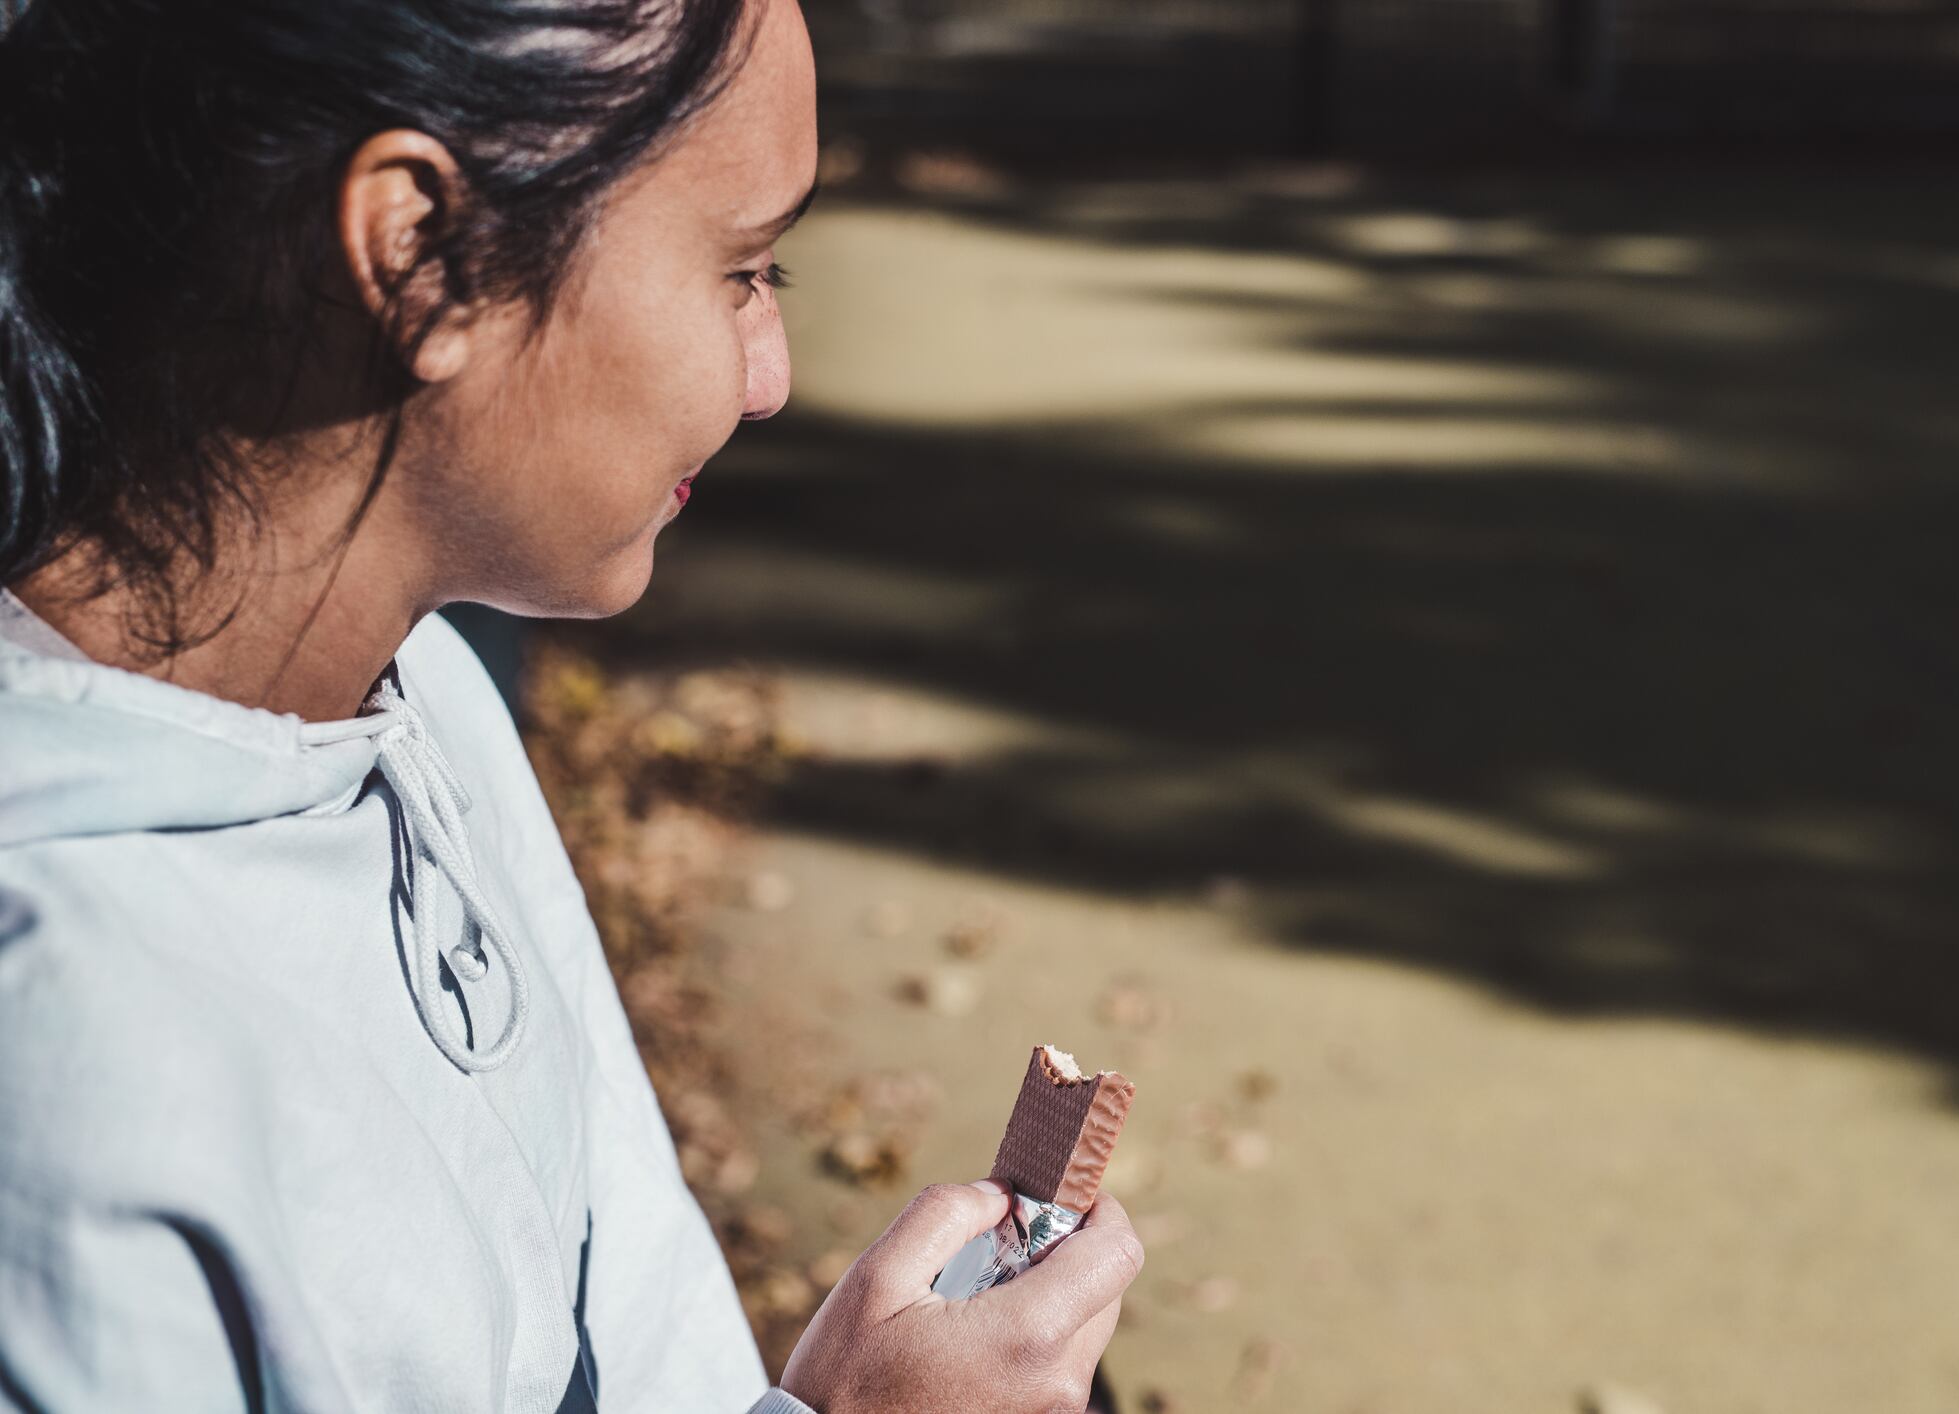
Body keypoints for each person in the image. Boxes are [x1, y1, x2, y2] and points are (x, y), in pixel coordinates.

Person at [0, 0, 1143, 1409]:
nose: (770, 375)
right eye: (742, 269)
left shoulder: (423, 701)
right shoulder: (60, 1075)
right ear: (422, 254)